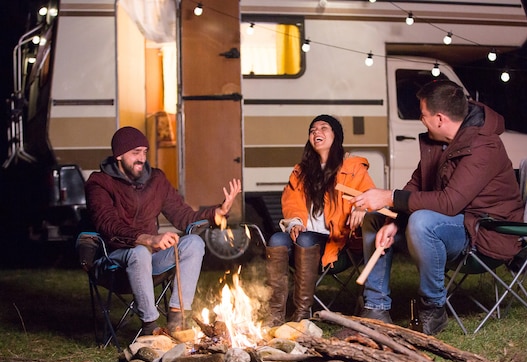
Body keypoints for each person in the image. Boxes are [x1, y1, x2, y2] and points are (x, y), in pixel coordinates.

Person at [350, 80, 524, 335]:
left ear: (440, 118)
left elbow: (450, 202)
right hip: (453, 221)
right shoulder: (441, 140)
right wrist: (394, 220)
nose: (422, 120)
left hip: (482, 230)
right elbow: (418, 183)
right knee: (376, 217)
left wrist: (388, 196)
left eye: (423, 115)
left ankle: (433, 307)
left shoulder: (484, 147)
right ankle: (376, 307)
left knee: (422, 222)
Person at [85, 126, 241, 335]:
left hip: (153, 262)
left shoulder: (156, 180)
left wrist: (217, 212)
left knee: (194, 243)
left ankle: (177, 322)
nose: (142, 158)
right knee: (139, 252)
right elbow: (107, 223)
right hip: (115, 260)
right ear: (119, 155)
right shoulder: (99, 183)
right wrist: (148, 239)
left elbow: (182, 215)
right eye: (135, 153)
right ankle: (150, 326)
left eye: (144, 152)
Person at [265, 114, 376, 327]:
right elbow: (291, 202)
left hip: (338, 243)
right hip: (303, 237)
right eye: (313, 129)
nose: (317, 132)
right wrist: (295, 221)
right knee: (277, 240)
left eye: (324, 128)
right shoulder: (301, 172)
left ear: (336, 136)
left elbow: (369, 195)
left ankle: (302, 313)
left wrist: (361, 207)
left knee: (305, 240)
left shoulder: (353, 168)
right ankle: (275, 314)